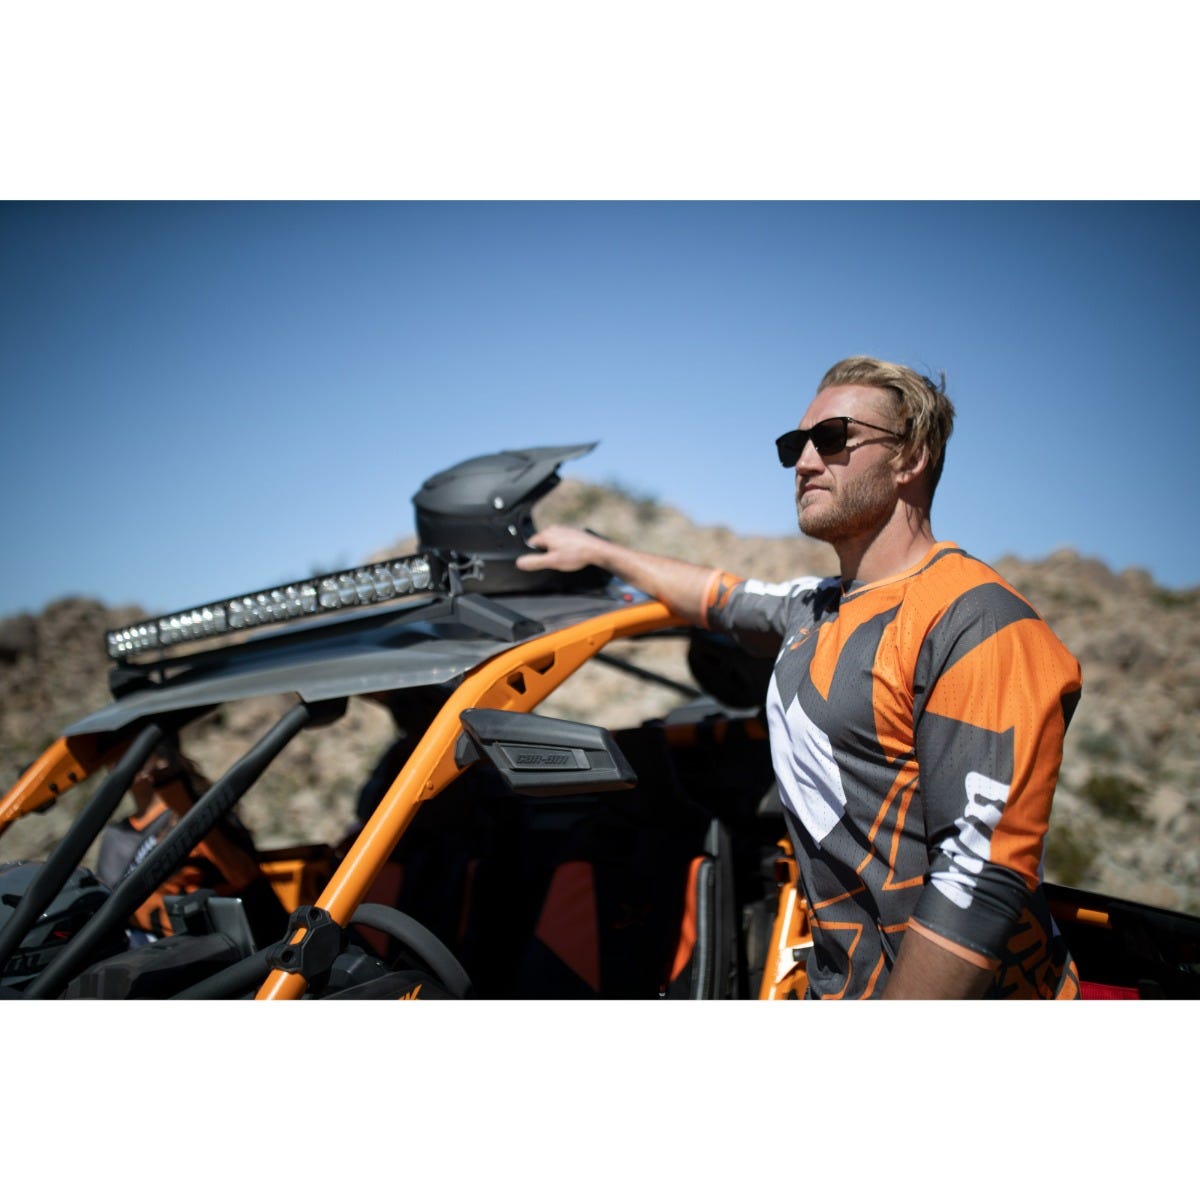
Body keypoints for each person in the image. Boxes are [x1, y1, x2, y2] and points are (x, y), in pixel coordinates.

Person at [515, 355, 1082, 999]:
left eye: (833, 438)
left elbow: (977, 880)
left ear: (910, 457)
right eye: (796, 444)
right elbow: (718, 597)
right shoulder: (815, 606)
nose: (805, 462)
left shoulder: (976, 620)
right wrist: (600, 551)